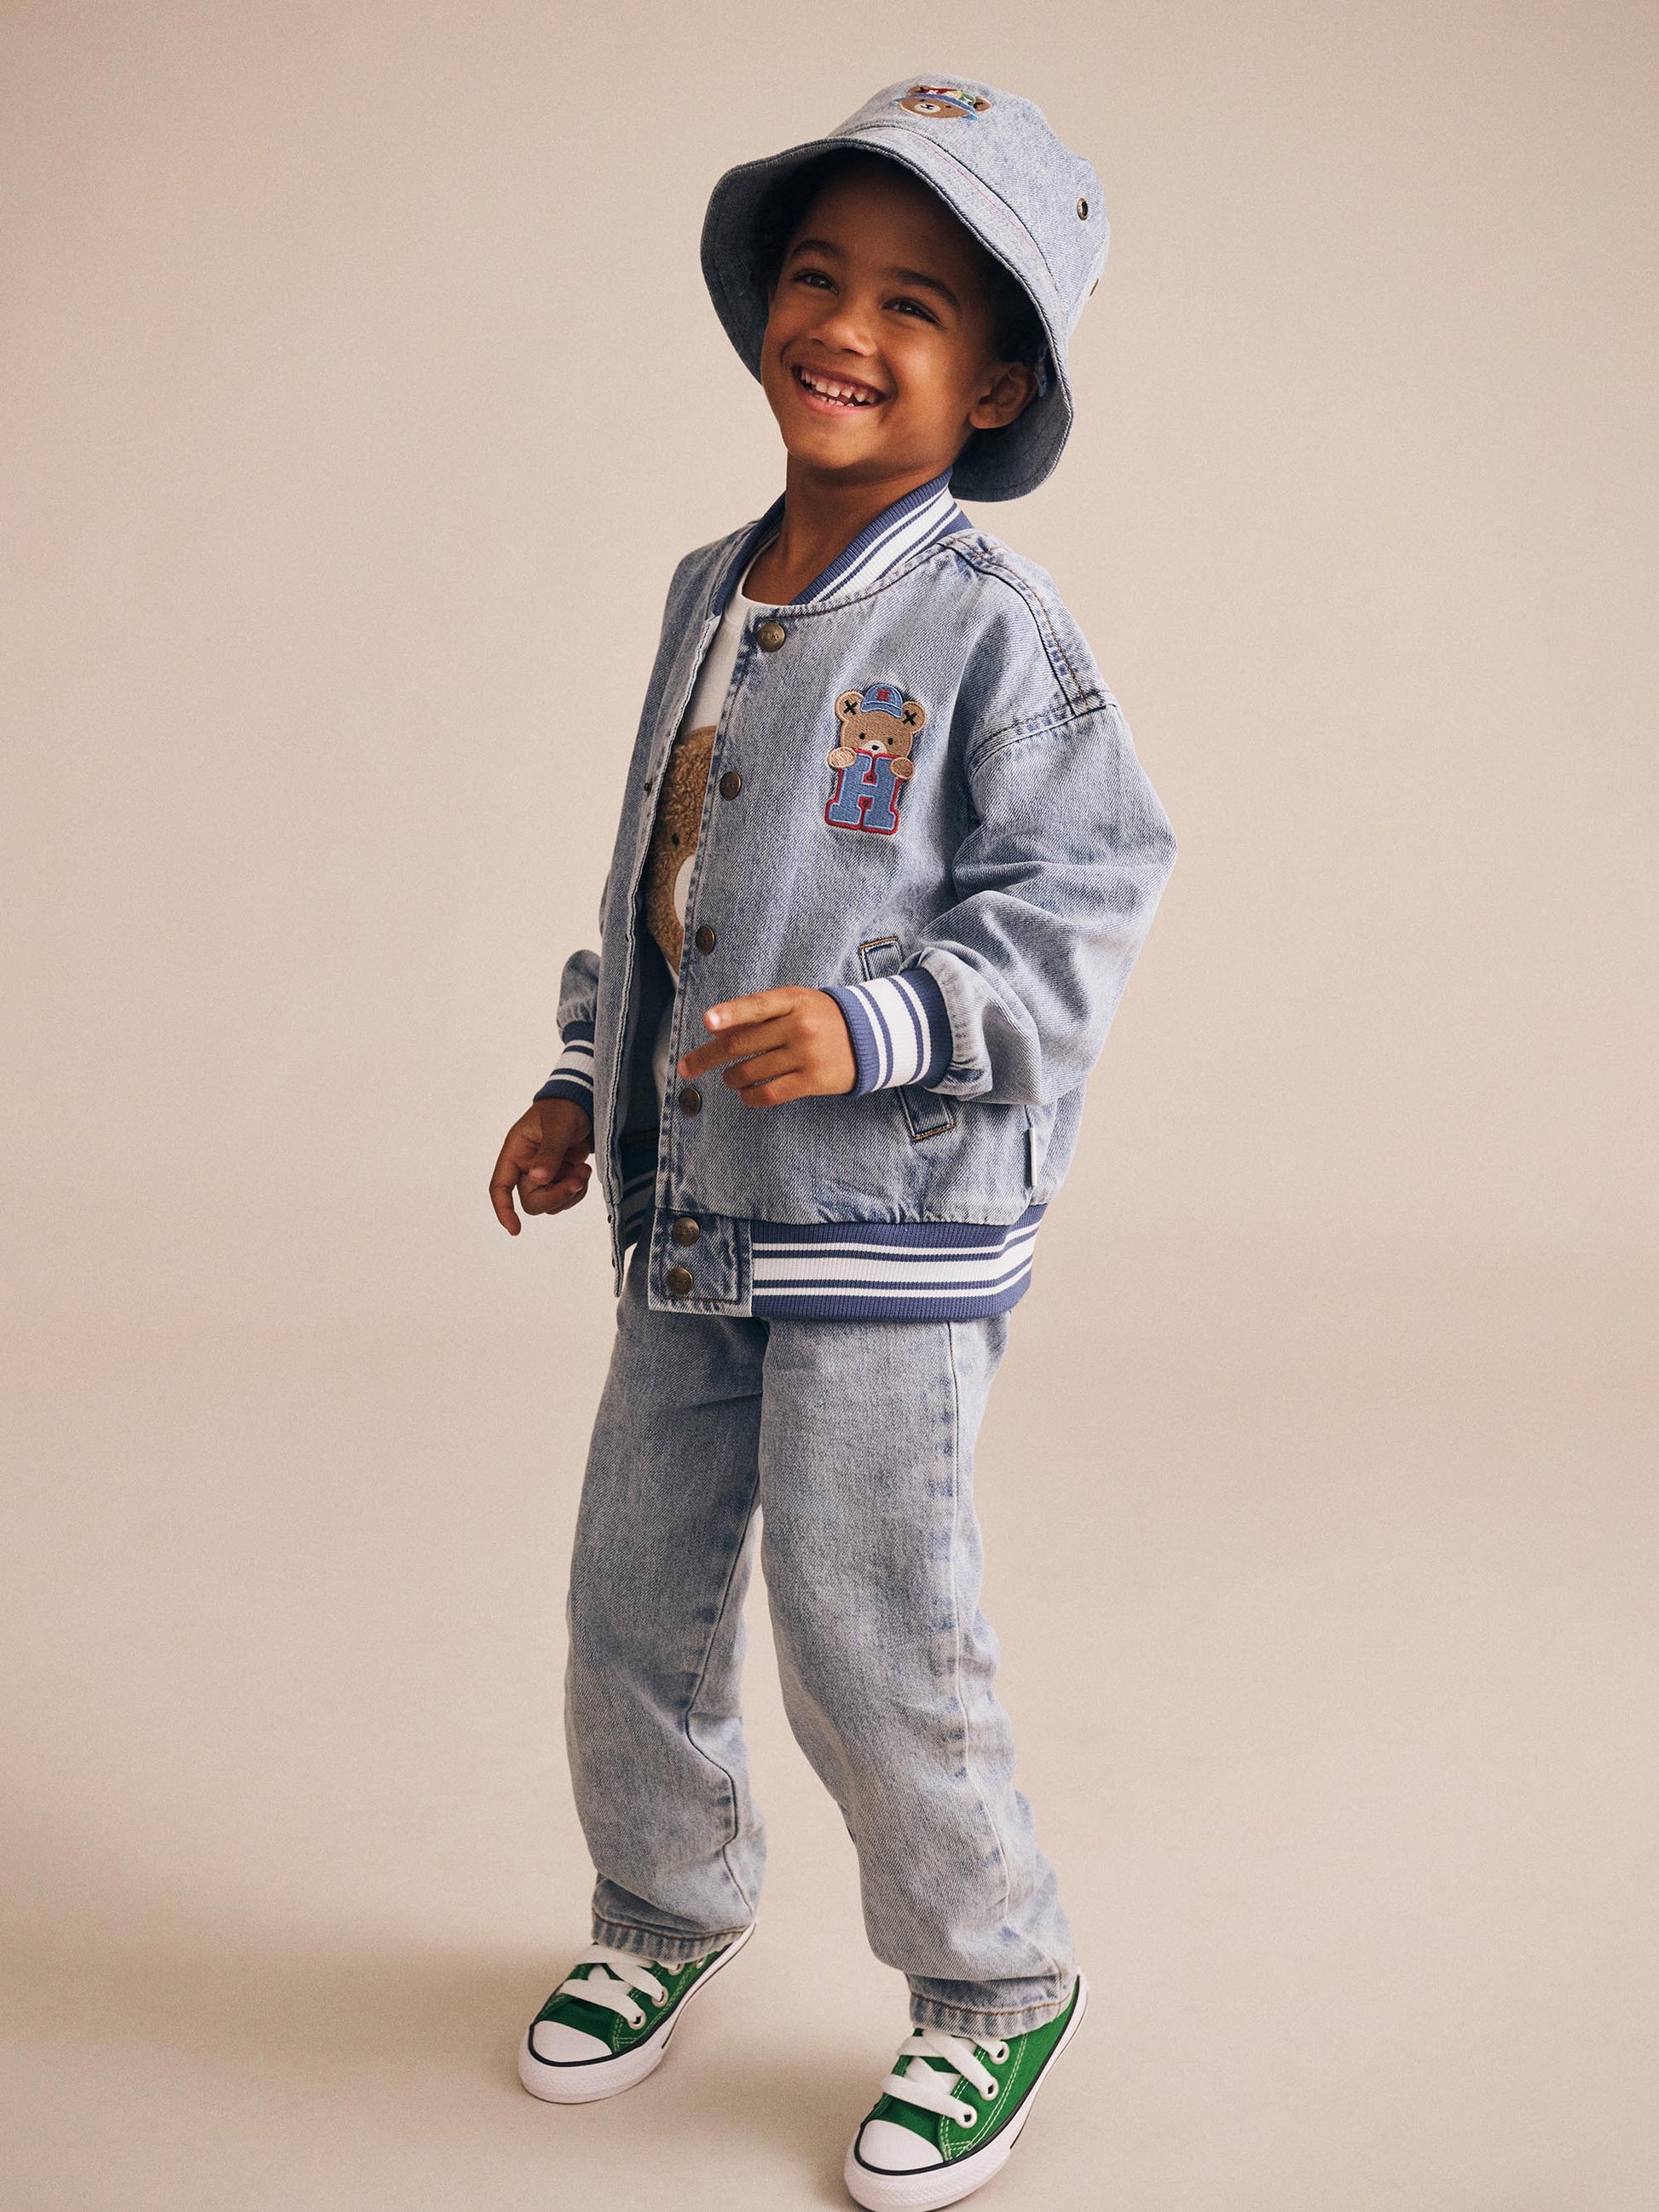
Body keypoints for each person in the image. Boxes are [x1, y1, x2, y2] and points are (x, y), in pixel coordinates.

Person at [487, 74, 1176, 2211]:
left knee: (868, 1621)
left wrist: (883, 1021)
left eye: (913, 304)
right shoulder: (710, 587)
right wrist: (585, 1079)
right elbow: (664, 879)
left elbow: (1085, 901)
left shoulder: (991, 630)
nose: (845, 328)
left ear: (995, 384)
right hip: (692, 1220)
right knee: (629, 1596)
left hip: (883, 1232)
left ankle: (993, 1977)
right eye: (818, 276)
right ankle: (664, 1900)